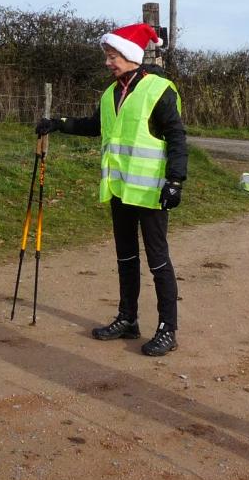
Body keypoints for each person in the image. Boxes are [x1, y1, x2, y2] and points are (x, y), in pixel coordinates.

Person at [36, 23, 187, 357]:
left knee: (158, 261)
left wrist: (175, 181)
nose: (108, 62)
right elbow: (96, 126)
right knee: (126, 257)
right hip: (120, 190)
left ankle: (168, 329)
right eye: (107, 55)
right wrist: (59, 124)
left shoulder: (159, 90)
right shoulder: (111, 92)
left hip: (151, 192)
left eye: (112, 55)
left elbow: (177, 137)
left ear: (131, 55)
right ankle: (128, 318)